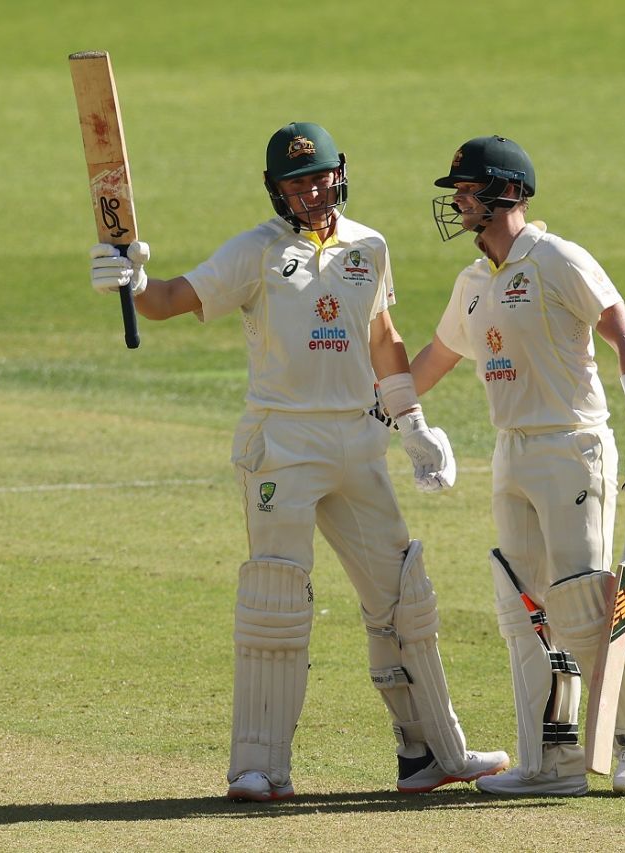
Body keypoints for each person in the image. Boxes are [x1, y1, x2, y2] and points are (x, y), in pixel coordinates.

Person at [86, 122, 509, 802]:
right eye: (297, 181)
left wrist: (414, 422)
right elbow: (169, 299)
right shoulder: (254, 252)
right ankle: (258, 765)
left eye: (320, 177)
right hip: (282, 443)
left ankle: (430, 752)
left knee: (403, 596)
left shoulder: (369, 246)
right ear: (276, 189)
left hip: (358, 444)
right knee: (277, 599)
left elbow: (383, 335)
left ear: (340, 173)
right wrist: (130, 281)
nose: (313, 191)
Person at [409, 135, 625, 796]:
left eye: (468, 189)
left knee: (585, 603)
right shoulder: (473, 282)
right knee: (528, 611)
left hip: (572, 445)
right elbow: (435, 358)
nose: (460, 201)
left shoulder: (557, 258)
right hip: (510, 450)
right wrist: (379, 406)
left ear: (506, 192)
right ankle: (554, 760)